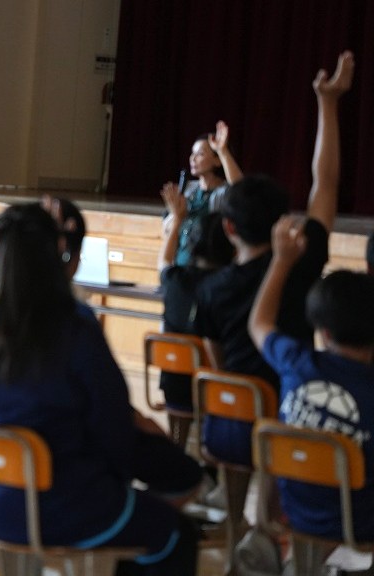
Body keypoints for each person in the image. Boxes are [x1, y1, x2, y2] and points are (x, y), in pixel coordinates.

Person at [0, 203, 200, 576]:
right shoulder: (74, 325)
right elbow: (111, 420)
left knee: (149, 499)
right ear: (57, 252)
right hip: (63, 502)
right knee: (175, 532)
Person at [194, 50, 353, 468]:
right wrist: (328, 104)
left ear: (229, 229)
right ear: (282, 220)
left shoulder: (211, 289)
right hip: (290, 414)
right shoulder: (300, 262)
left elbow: (217, 361)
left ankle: (237, 506)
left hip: (232, 419)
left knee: (237, 425)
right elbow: (326, 184)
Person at [249, 217, 374, 544]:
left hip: (295, 511)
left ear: (324, 332)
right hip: (358, 524)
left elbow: (259, 323)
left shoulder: (296, 361)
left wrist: (281, 260)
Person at [156, 189, 235, 441]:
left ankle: (177, 446)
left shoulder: (174, 280)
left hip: (174, 384)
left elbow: (164, 261)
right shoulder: (227, 287)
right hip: (215, 387)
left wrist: (177, 219)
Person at [162, 120, 243, 266]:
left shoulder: (224, 192)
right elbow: (167, 229)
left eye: (200, 154)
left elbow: (241, 189)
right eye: (192, 153)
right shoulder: (187, 190)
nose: (192, 158)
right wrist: (175, 213)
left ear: (217, 160)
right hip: (181, 266)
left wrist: (222, 151)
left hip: (210, 268)